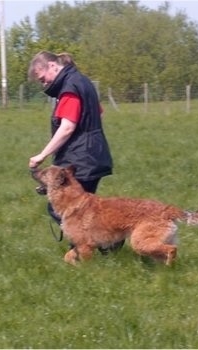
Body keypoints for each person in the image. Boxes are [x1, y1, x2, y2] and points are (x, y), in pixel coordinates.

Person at [27, 51, 124, 254]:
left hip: (81, 159)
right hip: (94, 154)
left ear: (52, 66)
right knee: (85, 210)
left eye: (43, 78)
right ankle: (101, 245)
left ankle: (101, 245)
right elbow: (99, 113)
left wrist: (42, 155)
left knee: (64, 209)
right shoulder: (82, 82)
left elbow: (67, 128)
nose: (44, 84)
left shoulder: (70, 88)